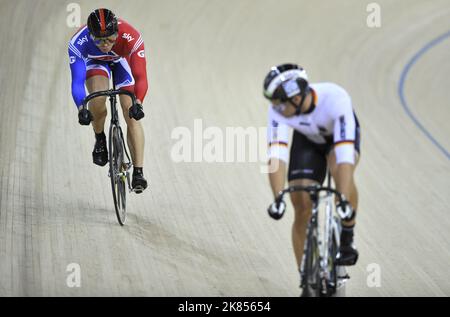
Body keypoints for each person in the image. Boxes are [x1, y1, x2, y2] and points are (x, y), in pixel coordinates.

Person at [263, 63, 360, 276]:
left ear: (296, 99)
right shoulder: (279, 109)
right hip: (308, 141)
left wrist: (342, 198)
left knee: (339, 171)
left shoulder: (336, 99)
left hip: (339, 140)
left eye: (278, 105)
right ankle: (306, 279)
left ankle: (347, 231)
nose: (275, 109)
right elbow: (276, 154)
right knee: (300, 201)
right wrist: (278, 197)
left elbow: (344, 156)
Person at [68, 8, 148, 193]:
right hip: (96, 63)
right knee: (97, 98)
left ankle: (138, 172)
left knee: (131, 113)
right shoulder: (78, 43)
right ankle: (100, 138)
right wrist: (81, 107)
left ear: (118, 33)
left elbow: (140, 76)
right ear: (90, 35)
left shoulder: (131, 37)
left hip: (122, 61)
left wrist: (139, 103)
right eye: (99, 40)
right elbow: (77, 82)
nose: (105, 44)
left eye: (110, 39)